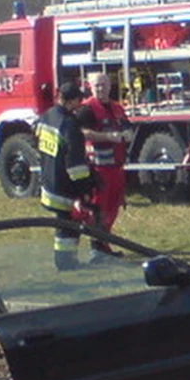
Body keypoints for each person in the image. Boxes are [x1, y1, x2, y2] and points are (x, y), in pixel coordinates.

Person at [37, 81, 98, 270]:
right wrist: (86, 188)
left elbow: (37, 141)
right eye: (78, 100)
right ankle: (66, 262)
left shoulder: (46, 116)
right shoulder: (70, 125)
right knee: (68, 226)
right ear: (70, 101)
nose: (80, 104)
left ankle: (64, 260)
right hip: (64, 186)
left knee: (62, 224)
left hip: (49, 181)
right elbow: (76, 166)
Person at [77, 71, 133, 252]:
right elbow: (82, 132)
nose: (101, 89)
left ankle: (104, 244)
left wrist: (127, 134)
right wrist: (106, 136)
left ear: (110, 86)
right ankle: (97, 247)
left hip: (116, 167)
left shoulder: (117, 107)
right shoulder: (86, 109)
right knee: (98, 209)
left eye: (103, 85)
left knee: (113, 207)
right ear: (90, 88)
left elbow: (126, 126)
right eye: (97, 86)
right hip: (98, 169)